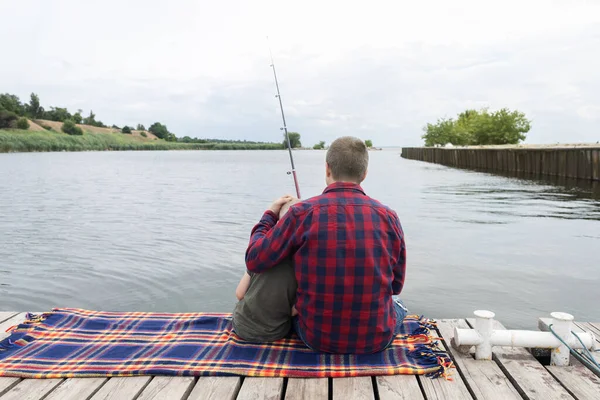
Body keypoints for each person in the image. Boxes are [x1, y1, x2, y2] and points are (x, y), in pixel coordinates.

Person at [245, 136, 407, 354]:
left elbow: (255, 259)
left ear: (327, 169)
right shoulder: (389, 217)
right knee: (398, 303)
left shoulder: (300, 213)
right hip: (376, 340)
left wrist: (270, 215)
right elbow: (395, 286)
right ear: (364, 174)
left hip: (316, 338)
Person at [231, 198, 301, 342]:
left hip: (241, 327)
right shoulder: (302, 263)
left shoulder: (260, 256)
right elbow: (295, 310)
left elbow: (239, 294)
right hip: (275, 333)